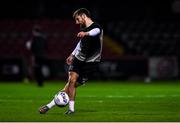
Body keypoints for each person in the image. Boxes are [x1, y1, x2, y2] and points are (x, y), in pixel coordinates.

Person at [39, 8, 103, 114]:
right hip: (79, 58)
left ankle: (49, 106)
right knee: (71, 81)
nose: (76, 22)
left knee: (71, 85)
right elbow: (80, 44)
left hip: (91, 62)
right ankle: (71, 109)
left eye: (78, 19)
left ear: (83, 16)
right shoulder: (83, 28)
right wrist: (72, 54)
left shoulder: (96, 27)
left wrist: (86, 33)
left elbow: (96, 32)